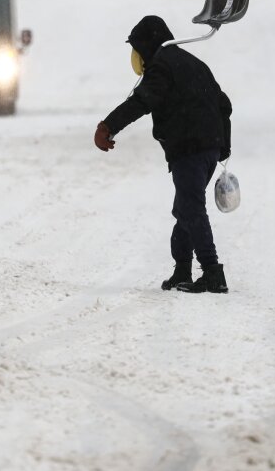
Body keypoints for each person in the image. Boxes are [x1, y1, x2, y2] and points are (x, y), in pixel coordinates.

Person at [95, 16, 233, 294]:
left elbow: (141, 101)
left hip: (189, 148)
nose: (135, 57)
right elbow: (224, 104)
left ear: (146, 46)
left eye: (136, 49)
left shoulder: (162, 66)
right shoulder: (194, 63)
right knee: (185, 208)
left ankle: (212, 273)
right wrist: (223, 146)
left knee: (191, 209)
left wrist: (108, 126)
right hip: (208, 148)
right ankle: (182, 270)